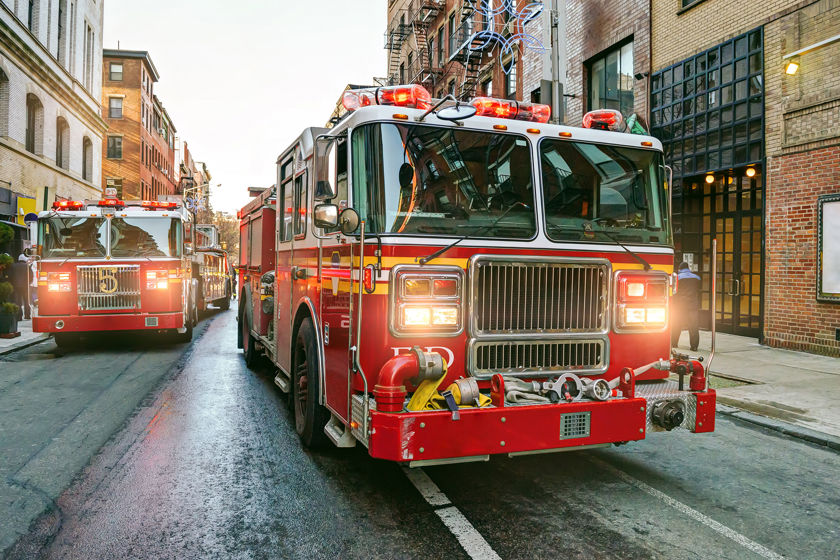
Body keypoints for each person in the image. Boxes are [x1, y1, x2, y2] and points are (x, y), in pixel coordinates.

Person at [672, 261, 701, 351]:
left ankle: (674, 343)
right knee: (693, 326)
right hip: (693, 305)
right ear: (688, 268)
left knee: (677, 324)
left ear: (680, 269)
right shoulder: (697, 278)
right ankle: (694, 346)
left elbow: (674, 291)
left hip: (680, 305)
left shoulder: (678, 277)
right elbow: (698, 290)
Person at [11, 255, 31, 320]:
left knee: (18, 301)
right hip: (25, 286)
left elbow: (12, 276)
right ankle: (27, 315)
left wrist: (14, 284)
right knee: (27, 301)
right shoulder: (27, 266)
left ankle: (19, 316)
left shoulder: (14, 266)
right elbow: (31, 276)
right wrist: (28, 283)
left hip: (16, 286)